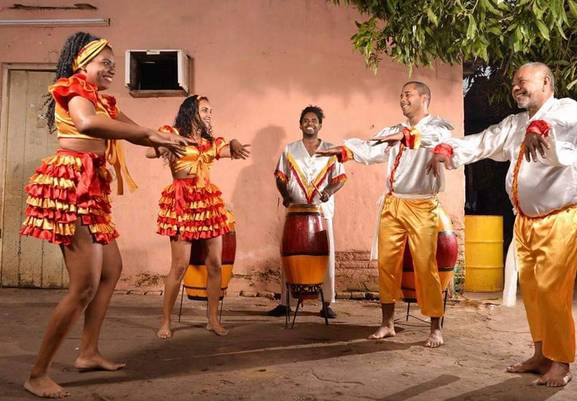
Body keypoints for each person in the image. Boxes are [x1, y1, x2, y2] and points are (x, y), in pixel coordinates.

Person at [19, 32, 194, 398]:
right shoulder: (76, 90)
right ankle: (37, 373)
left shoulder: (103, 101)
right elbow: (86, 125)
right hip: (71, 185)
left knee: (111, 270)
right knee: (83, 285)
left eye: (114, 63)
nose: (112, 68)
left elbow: (133, 134)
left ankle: (88, 352)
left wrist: (168, 139)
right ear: (83, 64)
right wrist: (147, 133)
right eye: (105, 62)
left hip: (91, 186)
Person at [428, 62, 577, 387]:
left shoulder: (565, 110)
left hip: (563, 218)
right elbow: (483, 141)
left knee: (552, 291)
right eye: (514, 83)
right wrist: (448, 148)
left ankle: (561, 363)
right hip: (527, 222)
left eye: (522, 80)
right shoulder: (516, 124)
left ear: (546, 81)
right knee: (533, 291)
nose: (516, 86)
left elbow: (573, 119)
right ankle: (541, 354)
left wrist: (541, 128)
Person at [317, 82, 453, 347]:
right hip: (393, 204)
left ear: (424, 98)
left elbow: (436, 141)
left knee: (426, 265)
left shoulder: (438, 127)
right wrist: (344, 151)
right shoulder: (392, 130)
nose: (402, 99)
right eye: (401, 95)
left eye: (408, 94)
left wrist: (406, 137)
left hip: (423, 206)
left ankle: (435, 327)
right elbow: (371, 150)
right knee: (386, 264)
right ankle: (387, 323)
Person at [148, 95, 250, 338]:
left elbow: (229, 151)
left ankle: (212, 319)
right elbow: (152, 153)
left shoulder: (209, 142)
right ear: (190, 111)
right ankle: (165, 321)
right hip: (182, 201)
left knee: (214, 264)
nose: (209, 114)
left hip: (207, 203)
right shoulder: (172, 133)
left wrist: (234, 143)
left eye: (210, 110)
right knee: (180, 265)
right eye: (204, 109)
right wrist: (167, 144)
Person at [267, 105, 346, 318]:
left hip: (322, 212)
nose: (310, 123)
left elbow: (340, 178)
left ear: (320, 125)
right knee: (290, 255)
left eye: (314, 120)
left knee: (325, 257)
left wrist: (329, 191)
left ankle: (326, 302)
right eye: (306, 120)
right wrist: (285, 195)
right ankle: (286, 302)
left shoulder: (331, 150)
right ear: (300, 124)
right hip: (295, 210)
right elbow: (280, 177)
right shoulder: (290, 149)